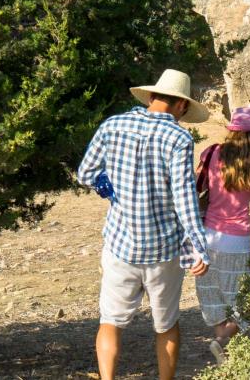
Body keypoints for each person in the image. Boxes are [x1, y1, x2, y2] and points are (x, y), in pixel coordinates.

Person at [77, 69, 211, 380]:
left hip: (120, 245)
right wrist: (198, 247)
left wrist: (110, 190)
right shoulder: (178, 138)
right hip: (163, 249)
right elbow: (183, 198)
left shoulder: (113, 125)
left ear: (151, 97)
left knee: (110, 322)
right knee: (166, 324)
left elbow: (85, 173)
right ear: (181, 106)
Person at [194, 106, 250, 365]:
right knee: (243, 301)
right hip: (238, 240)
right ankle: (221, 344)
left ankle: (226, 359)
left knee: (215, 300)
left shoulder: (213, 153)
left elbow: (195, 186)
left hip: (208, 237)